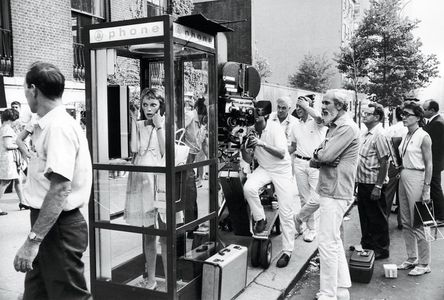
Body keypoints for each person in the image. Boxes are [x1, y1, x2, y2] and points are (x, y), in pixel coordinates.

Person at [13, 62, 92, 299]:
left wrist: (32, 241)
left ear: (34, 89)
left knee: (69, 296)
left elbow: (60, 189)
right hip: (49, 223)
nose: (25, 95)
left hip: (58, 226)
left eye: (25, 89)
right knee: (37, 294)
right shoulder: (47, 123)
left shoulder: (58, 127)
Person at [309, 89, 360, 300]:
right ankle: (340, 286)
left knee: (327, 243)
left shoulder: (346, 127)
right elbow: (319, 155)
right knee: (334, 240)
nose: (323, 107)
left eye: (327, 103)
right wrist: (321, 156)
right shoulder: (335, 127)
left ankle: (327, 294)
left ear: (339, 106)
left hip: (336, 190)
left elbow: (326, 154)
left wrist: (322, 156)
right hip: (332, 189)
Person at [241, 101, 297, 268]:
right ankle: (261, 218)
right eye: (252, 115)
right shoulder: (249, 129)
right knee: (249, 188)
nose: (254, 119)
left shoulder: (274, 128)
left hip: (281, 170)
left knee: (286, 211)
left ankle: (287, 251)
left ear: (265, 116)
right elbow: (249, 160)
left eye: (257, 116)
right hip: (264, 168)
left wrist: (261, 143)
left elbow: (281, 153)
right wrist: (243, 146)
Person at [125, 87, 166, 290]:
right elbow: (133, 149)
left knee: (165, 235)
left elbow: (166, 152)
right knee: (149, 234)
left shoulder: (165, 124)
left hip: (158, 180)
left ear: (160, 106)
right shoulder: (140, 124)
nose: (148, 109)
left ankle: (170, 279)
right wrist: (134, 121)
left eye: (153, 105)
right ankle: (151, 279)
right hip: (141, 180)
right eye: (145, 105)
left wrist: (158, 127)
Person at [397, 101, 433, 276]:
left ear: (418, 117)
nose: (403, 117)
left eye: (407, 114)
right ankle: (412, 258)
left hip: (417, 177)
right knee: (405, 221)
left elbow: (429, 163)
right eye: (402, 114)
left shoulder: (423, 136)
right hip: (404, 175)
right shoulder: (406, 135)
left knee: (418, 221)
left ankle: (425, 263)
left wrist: (426, 187)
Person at [289, 95, 326, 242]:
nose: (299, 109)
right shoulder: (295, 125)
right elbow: (292, 146)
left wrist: (306, 106)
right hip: (299, 163)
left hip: (315, 164)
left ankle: (298, 218)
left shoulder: (317, 122)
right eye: (297, 106)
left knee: (316, 199)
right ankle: (310, 229)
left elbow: (319, 117)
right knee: (304, 199)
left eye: (302, 106)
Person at [356, 102, 390, 260]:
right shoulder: (365, 133)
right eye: (363, 113)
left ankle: (381, 249)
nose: (363, 115)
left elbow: (384, 162)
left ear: (377, 117)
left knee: (377, 218)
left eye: (367, 113)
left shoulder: (380, 135)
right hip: (363, 182)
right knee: (365, 216)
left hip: (373, 183)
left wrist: (378, 186)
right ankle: (367, 245)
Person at [0, 109, 28, 214]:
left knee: (18, 180)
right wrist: (20, 145)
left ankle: (23, 202)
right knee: (5, 182)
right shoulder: (7, 129)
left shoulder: (3, 128)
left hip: (9, 159)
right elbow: (8, 145)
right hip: (8, 159)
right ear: (12, 118)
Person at [385, 107, 407, 229]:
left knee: (388, 193)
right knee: (403, 195)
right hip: (406, 165)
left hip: (392, 164)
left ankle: (385, 218)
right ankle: (402, 221)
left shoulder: (391, 129)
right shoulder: (409, 130)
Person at [422, 99, 444, 222]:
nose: (423, 111)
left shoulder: (438, 123)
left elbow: (434, 147)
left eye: (425, 109)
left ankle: (441, 216)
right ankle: (438, 214)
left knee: (435, 189)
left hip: (434, 163)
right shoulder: (434, 121)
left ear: (432, 110)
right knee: (435, 188)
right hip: (435, 162)